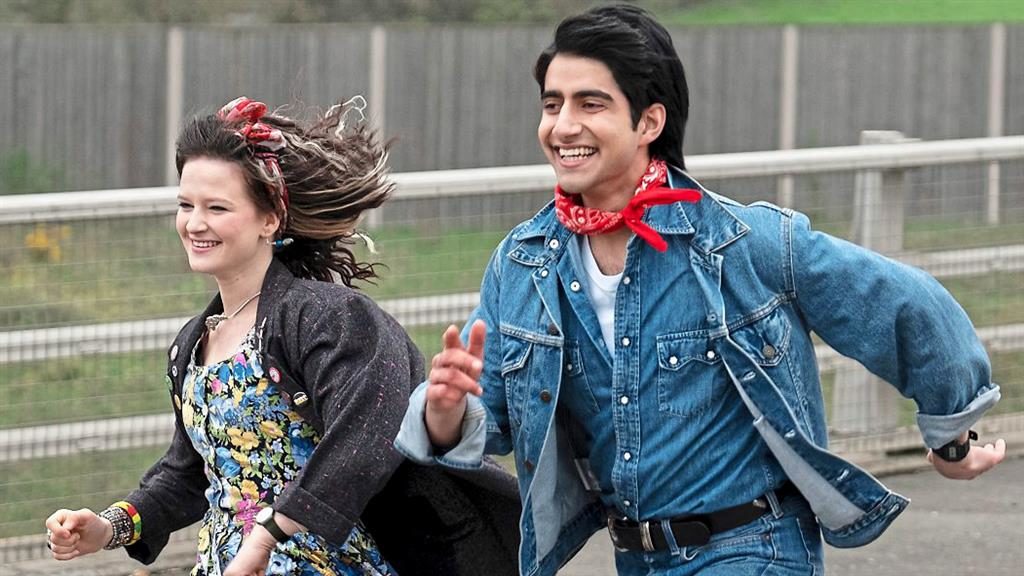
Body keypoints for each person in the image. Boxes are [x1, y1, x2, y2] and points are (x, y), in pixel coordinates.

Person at [395, 4, 1008, 576]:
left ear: (649, 121)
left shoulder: (743, 243)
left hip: (754, 548)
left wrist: (951, 437)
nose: (563, 126)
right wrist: (445, 412)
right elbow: (493, 419)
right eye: (552, 104)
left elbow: (905, 304)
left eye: (590, 104)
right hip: (634, 555)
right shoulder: (523, 263)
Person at [44, 96, 519, 576]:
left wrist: (269, 533)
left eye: (217, 207)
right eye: (186, 205)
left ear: (269, 218)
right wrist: (109, 527)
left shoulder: (332, 318)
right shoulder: (192, 344)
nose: (195, 223)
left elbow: (366, 437)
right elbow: (188, 474)